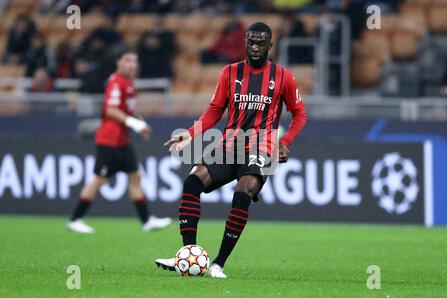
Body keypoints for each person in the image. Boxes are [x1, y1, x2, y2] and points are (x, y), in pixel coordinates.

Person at [155, 22, 307, 278]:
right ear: (245, 43)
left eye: (261, 42)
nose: (255, 47)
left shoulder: (283, 77)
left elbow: (299, 114)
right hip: (229, 145)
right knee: (192, 183)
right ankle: (187, 256)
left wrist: (285, 142)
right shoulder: (229, 73)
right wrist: (190, 133)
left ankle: (218, 264)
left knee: (243, 193)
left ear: (271, 45)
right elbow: (215, 110)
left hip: (261, 147)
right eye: (251, 42)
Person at [68, 49, 172, 233]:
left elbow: (126, 110)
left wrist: (139, 123)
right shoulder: (116, 83)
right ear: (119, 62)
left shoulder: (128, 83)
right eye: (127, 60)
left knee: (135, 176)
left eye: (134, 61)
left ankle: (146, 221)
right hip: (109, 140)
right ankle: (76, 219)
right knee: (99, 179)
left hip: (122, 141)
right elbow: (111, 110)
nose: (131, 64)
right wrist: (134, 123)